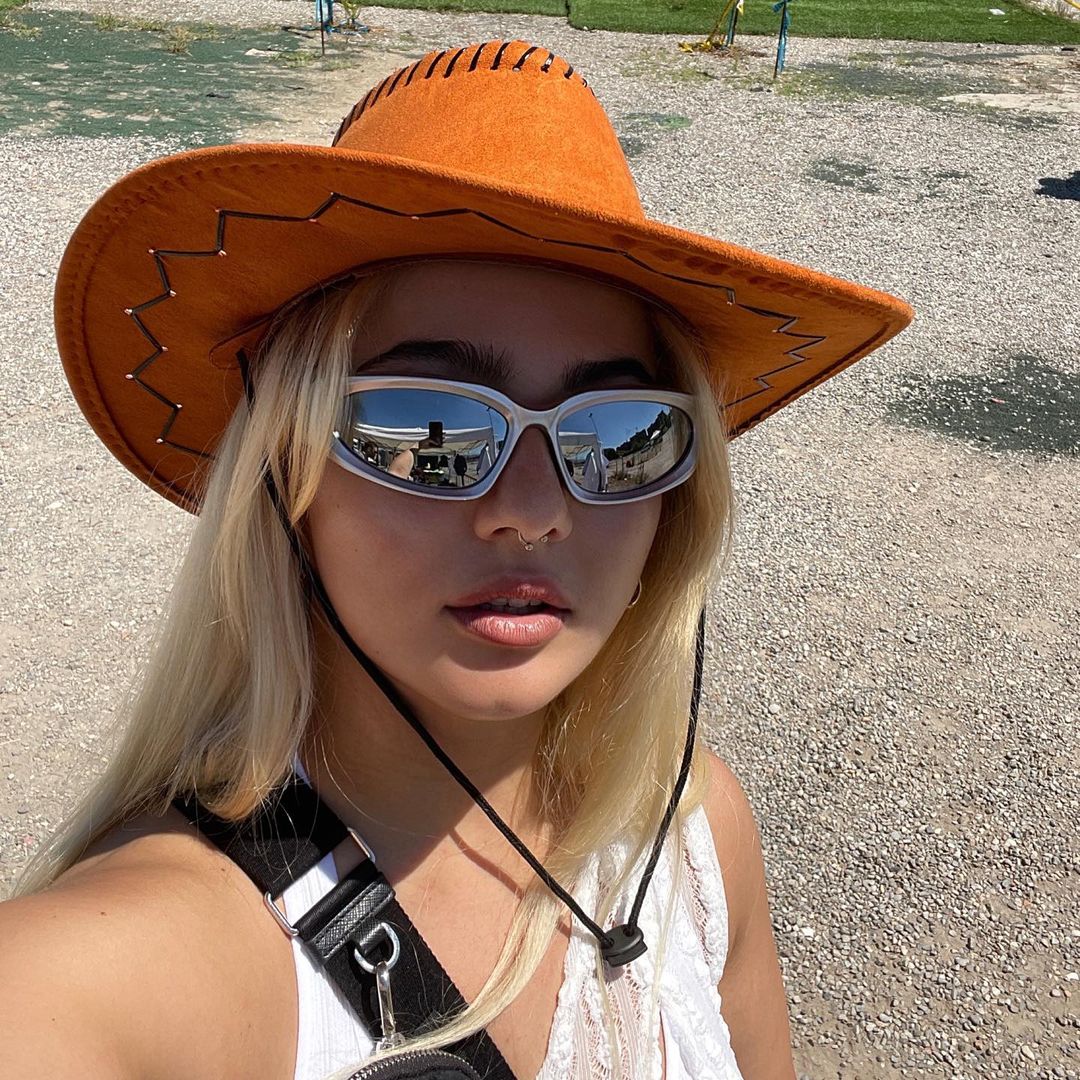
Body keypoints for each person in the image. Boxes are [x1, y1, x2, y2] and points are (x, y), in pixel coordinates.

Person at [1, 36, 912, 1080]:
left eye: (619, 434)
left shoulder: (696, 837)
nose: (533, 512)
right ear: (285, 466)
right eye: (427, 431)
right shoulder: (118, 975)